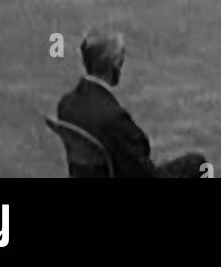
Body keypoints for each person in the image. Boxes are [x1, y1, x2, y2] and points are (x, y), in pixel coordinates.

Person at [56, 29, 208, 179]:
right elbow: (141, 169)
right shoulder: (113, 117)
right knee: (197, 164)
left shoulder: (67, 105)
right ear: (114, 63)